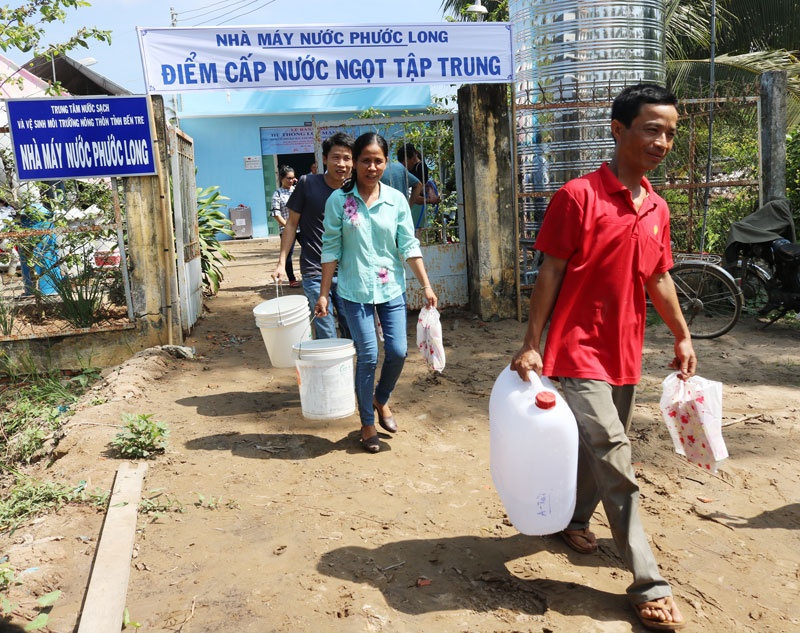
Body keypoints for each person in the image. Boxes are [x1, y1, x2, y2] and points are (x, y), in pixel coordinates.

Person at [510, 84, 695, 631]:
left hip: (624, 352)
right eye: (651, 129)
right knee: (616, 457)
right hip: (574, 349)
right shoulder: (577, 197)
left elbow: (658, 277)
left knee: (602, 450)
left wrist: (682, 336)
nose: (662, 142)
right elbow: (550, 272)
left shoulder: (656, 207)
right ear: (619, 129)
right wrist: (531, 343)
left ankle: (571, 519)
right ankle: (649, 583)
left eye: (669, 132)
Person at [315, 132, 437, 454]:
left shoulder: (396, 200)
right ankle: (367, 422)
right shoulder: (338, 202)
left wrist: (425, 284)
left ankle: (380, 398)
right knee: (368, 355)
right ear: (355, 163)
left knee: (397, 351)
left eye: (378, 161)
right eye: (365, 160)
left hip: (390, 288)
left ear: (386, 163)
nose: (371, 167)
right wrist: (324, 294)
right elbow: (330, 249)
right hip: (354, 291)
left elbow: (408, 244)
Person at [271, 132, 354, 339]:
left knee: (351, 331)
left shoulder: (356, 191)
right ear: (324, 159)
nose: (341, 164)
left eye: (347, 158)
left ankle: (348, 371)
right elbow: (291, 225)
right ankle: (328, 370)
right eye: (335, 157)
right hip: (315, 271)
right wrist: (281, 263)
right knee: (326, 333)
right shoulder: (308, 184)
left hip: (348, 273)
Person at [398, 143, 441, 228]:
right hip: (415, 202)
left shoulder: (420, 167)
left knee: (415, 229)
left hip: (417, 204)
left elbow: (421, 188)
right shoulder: (413, 167)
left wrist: (429, 197)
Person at [270, 165, 300, 287]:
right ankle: (292, 279)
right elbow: (275, 214)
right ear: (281, 178)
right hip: (287, 228)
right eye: (288, 178)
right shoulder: (277, 194)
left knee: (311, 250)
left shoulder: (297, 190)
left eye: (293, 178)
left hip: (302, 227)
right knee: (287, 254)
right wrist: (288, 227)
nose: (291, 180)